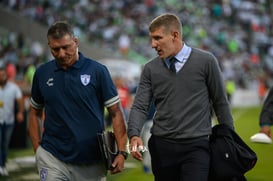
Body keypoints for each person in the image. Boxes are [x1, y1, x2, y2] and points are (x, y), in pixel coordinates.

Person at [127, 13, 234, 181]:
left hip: (197, 147)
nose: (153, 44)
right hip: (162, 147)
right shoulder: (149, 69)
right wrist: (134, 135)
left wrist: (230, 140)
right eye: (152, 39)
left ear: (175, 35)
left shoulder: (206, 61)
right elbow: (140, 106)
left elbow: (220, 102)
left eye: (158, 38)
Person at [28, 21, 128, 181]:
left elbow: (116, 113)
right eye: (55, 49)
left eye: (65, 47)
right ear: (49, 46)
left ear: (75, 42)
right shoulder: (42, 73)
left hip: (92, 160)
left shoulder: (98, 71)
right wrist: (37, 149)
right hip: (52, 157)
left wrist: (122, 152)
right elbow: (34, 113)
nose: (61, 54)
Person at [0, 65, 24, 176]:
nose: (1, 77)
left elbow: (20, 100)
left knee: (5, 144)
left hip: (9, 120)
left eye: (3, 75)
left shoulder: (13, 88)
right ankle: (1, 165)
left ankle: (3, 164)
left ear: (6, 76)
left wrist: (20, 112)